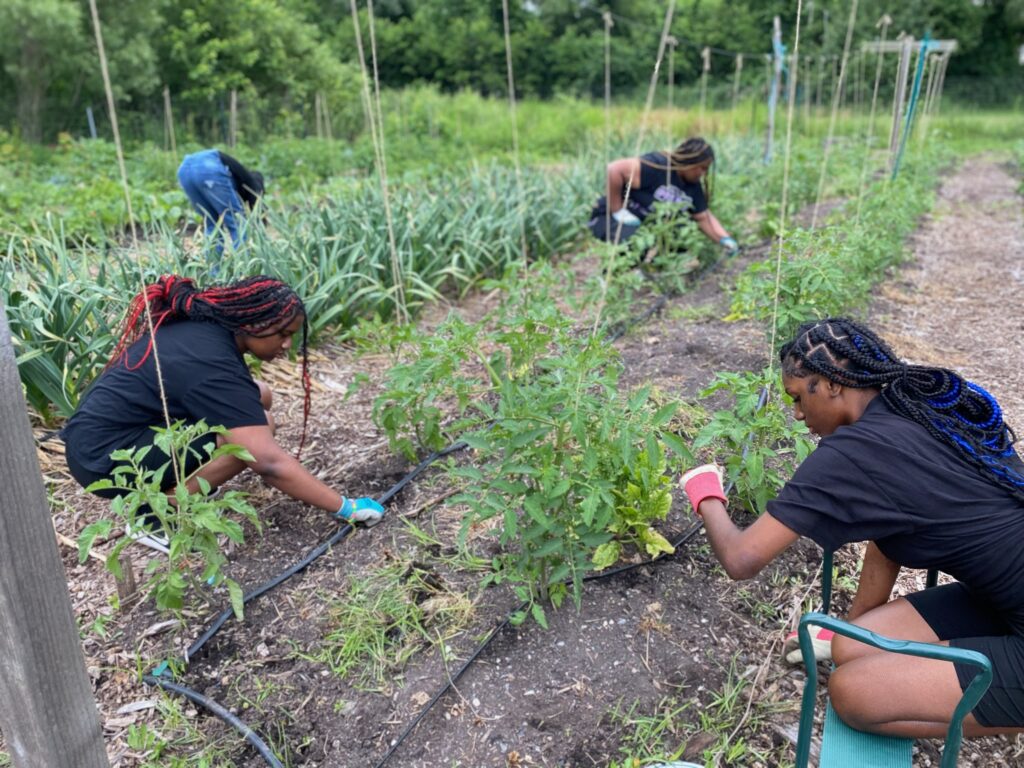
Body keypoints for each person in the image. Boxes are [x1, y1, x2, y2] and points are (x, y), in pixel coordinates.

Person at [681, 317, 1024, 739]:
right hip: (1001, 601)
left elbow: (741, 557)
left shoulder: (852, 454)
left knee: (852, 693)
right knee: (848, 646)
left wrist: (705, 494)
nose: (796, 414)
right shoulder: (911, 405)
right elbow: (890, 539)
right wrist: (855, 628)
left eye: (797, 397)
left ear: (830, 384)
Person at [61, 275, 383, 552]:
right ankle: (156, 516)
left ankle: (179, 490)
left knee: (261, 400)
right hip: (104, 458)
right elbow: (268, 464)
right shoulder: (210, 363)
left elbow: (252, 397)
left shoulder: (207, 332)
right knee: (248, 443)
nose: (287, 345)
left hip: (103, 438)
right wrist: (345, 507)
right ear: (252, 323)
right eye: (283, 334)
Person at [587, 136, 738, 256]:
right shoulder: (657, 165)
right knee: (632, 242)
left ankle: (652, 269)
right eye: (702, 168)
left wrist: (724, 239)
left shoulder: (693, 186)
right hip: (607, 218)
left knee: (680, 235)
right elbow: (614, 169)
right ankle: (618, 276)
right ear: (689, 161)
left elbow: (703, 218)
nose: (703, 173)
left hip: (643, 227)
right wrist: (618, 211)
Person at [177, 149, 265, 260]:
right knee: (238, 223)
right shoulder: (252, 184)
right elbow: (254, 211)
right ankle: (245, 269)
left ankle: (214, 272)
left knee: (212, 224)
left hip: (184, 170)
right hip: (207, 168)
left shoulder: (239, 174)